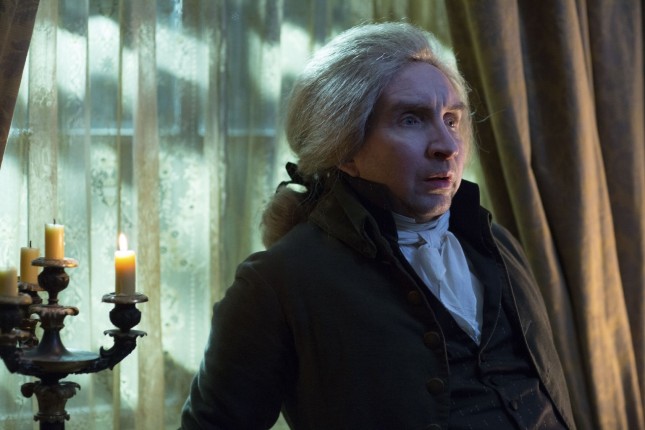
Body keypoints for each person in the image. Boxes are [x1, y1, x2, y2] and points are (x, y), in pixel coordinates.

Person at [181, 22, 576, 429]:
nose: (447, 146)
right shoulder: (276, 282)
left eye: (451, 119)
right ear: (344, 149)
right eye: (411, 119)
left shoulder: (497, 242)